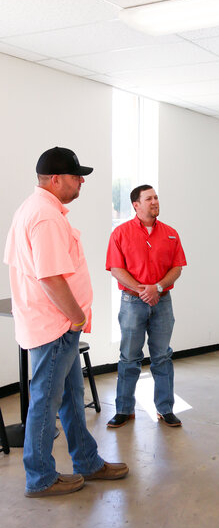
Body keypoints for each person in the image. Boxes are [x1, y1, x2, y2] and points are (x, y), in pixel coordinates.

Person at [4, 147, 129, 497]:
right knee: (46, 400)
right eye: (76, 176)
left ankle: (87, 460)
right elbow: (50, 277)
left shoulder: (34, 210)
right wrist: (76, 318)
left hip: (53, 325)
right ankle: (40, 477)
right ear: (56, 179)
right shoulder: (45, 217)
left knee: (72, 396)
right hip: (55, 326)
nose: (81, 181)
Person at [106, 185, 187, 428]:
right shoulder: (120, 233)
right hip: (132, 303)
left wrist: (158, 288)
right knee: (129, 357)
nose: (155, 201)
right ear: (136, 205)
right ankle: (124, 410)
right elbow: (116, 269)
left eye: (156, 197)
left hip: (162, 302)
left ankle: (165, 409)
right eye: (149, 198)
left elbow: (177, 267)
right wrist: (144, 289)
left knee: (162, 356)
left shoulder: (171, 234)